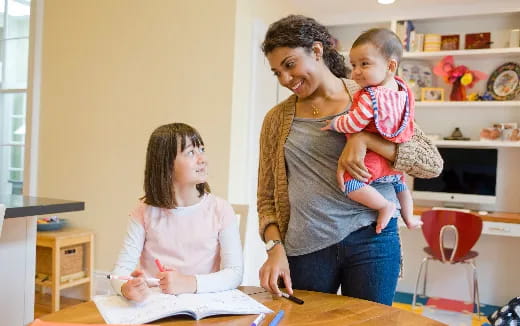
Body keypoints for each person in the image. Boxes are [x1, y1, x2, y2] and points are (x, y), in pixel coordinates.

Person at [258, 15, 443, 305]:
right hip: (306, 247)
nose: (285, 79)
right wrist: (274, 248)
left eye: (290, 64)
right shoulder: (276, 120)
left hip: (373, 240)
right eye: (276, 72)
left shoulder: (374, 93)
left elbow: (431, 163)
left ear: (317, 51)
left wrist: (365, 139)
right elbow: (266, 198)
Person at [111, 123, 243, 302]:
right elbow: (119, 273)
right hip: (158, 305)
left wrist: (188, 283)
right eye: (191, 152)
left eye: (202, 150)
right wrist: (127, 289)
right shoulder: (143, 211)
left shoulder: (221, 209)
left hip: (205, 305)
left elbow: (234, 273)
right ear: (166, 163)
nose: (202, 159)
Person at [321, 28, 422, 234]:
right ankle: (410, 218)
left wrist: (334, 124)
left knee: (349, 184)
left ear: (390, 65)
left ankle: (384, 205)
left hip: (373, 160)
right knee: (401, 185)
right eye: (354, 65)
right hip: (393, 160)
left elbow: (354, 124)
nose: (356, 71)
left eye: (364, 64)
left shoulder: (370, 96)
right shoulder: (403, 92)